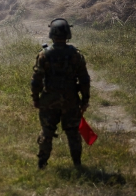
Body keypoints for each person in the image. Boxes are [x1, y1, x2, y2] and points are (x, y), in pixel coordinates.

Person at [31, 18, 90, 169]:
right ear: (68, 34)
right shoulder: (75, 55)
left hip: (49, 100)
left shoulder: (44, 54)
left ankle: (42, 164)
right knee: (73, 133)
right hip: (70, 101)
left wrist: (36, 98)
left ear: (51, 34)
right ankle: (77, 164)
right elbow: (84, 80)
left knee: (47, 132)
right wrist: (84, 101)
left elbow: (36, 79)